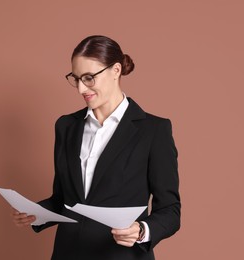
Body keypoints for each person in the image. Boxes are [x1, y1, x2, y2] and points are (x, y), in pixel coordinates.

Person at [12, 35, 181, 260]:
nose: (81, 88)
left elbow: (170, 211)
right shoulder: (66, 126)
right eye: (76, 78)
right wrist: (36, 213)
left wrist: (141, 230)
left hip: (121, 256)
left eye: (89, 78)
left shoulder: (153, 130)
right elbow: (65, 199)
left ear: (116, 70)